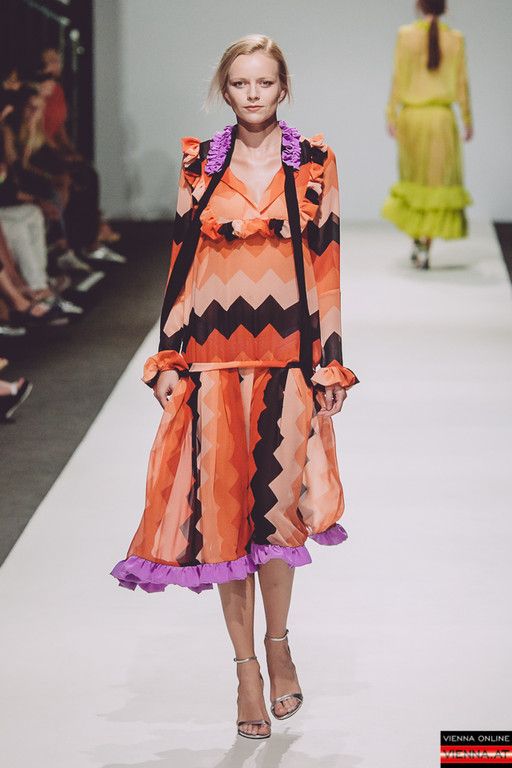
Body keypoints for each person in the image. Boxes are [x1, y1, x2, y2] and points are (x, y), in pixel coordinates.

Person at [110, 34, 359, 739]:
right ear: (226, 90)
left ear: (283, 88)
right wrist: (167, 356)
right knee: (222, 519)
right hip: (212, 362)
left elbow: (328, 263)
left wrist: (330, 360)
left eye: (264, 82)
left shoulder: (314, 162)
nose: (253, 94)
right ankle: (245, 669)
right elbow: (180, 264)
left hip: (286, 362)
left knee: (276, 516)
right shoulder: (200, 162)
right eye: (241, 83)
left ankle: (279, 646)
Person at [381, 0, 473, 269]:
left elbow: (398, 78)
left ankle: (417, 242)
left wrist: (391, 114)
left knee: (413, 182)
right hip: (441, 120)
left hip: (412, 118)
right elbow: (462, 84)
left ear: (419, 5)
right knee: (435, 186)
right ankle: (425, 246)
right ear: (444, 7)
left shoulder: (405, 35)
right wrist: (467, 119)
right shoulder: (455, 39)